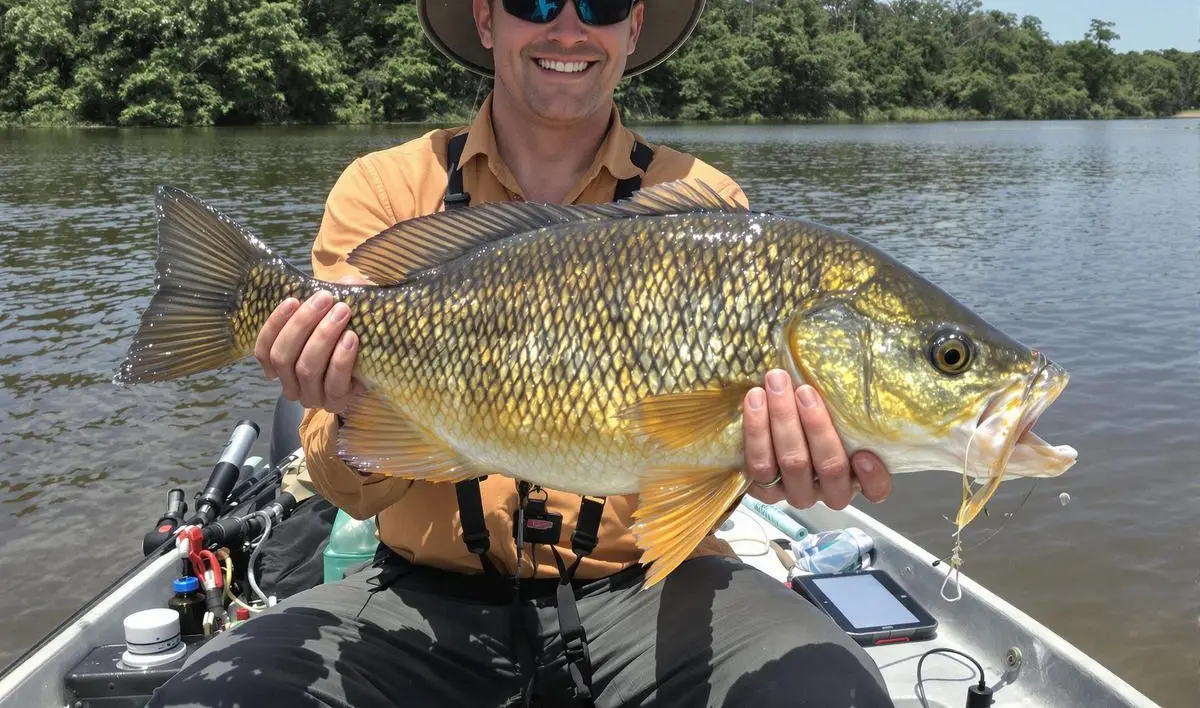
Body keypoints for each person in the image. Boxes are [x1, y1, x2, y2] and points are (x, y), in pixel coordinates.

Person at [148, 1, 896, 706]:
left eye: (601, 3)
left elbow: (696, 476)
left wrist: (760, 471)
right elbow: (347, 488)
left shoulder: (703, 202)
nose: (568, 27)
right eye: (535, 1)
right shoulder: (385, 187)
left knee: (833, 690)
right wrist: (341, 399)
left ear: (633, 25)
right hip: (421, 602)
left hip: (650, 592)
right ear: (485, 16)